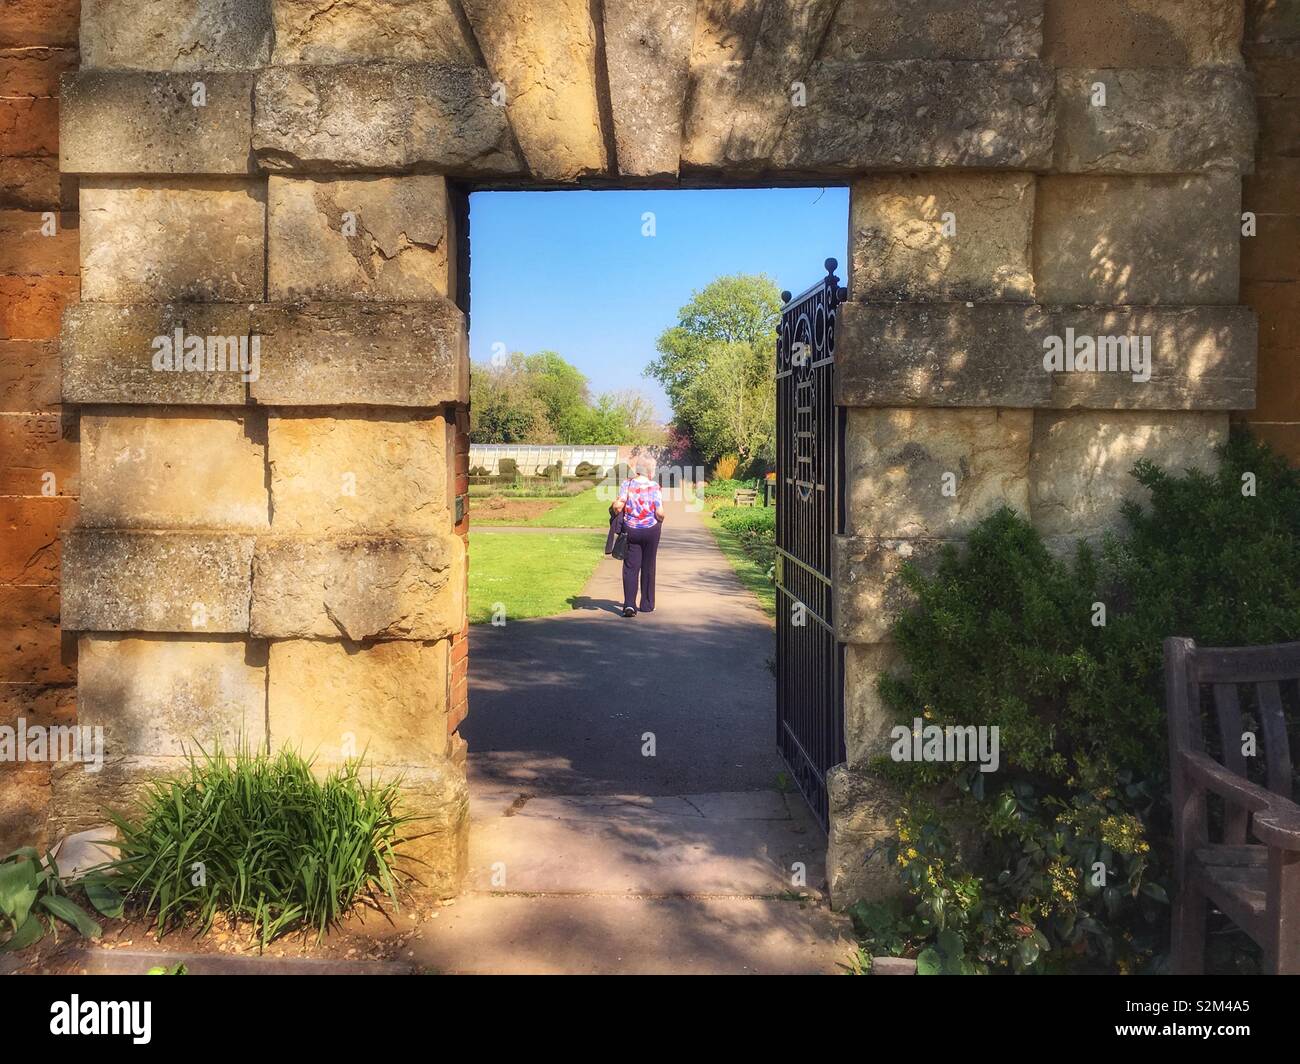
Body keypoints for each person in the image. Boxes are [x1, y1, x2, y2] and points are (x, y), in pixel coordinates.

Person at [612, 456, 664, 617]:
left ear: (637, 469)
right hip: (651, 530)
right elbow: (660, 513)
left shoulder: (627, 484)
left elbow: (618, 506)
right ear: (650, 471)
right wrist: (660, 520)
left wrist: (617, 511)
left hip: (631, 530)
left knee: (631, 567)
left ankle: (629, 605)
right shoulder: (655, 486)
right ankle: (647, 604)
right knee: (649, 566)